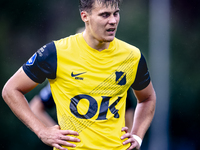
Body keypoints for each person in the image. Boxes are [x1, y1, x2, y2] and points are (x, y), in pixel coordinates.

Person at [2, 0, 156, 150]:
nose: (113, 21)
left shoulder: (132, 56)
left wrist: (137, 136)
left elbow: (148, 98)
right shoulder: (55, 53)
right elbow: (11, 90)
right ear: (85, 16)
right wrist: (42, 131)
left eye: (116, 14)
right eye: (104, 15)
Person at [29, 83, 136, 131]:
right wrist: (55, 133)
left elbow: (128, 115)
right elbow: (35, 107)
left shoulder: (115, 76)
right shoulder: (65, 75)